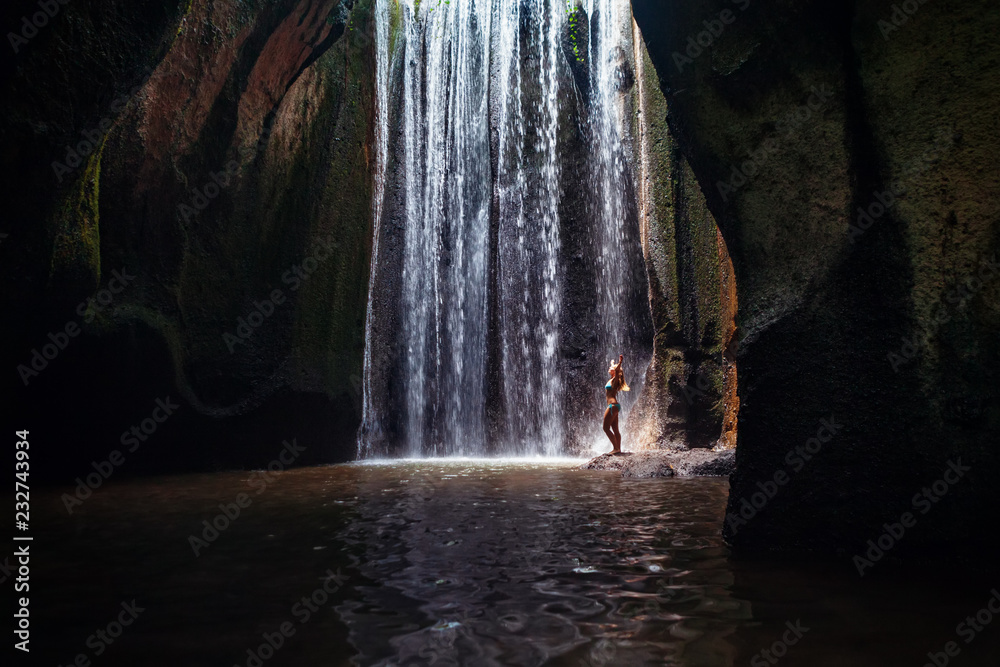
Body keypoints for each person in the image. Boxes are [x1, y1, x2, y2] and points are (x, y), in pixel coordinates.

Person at [603, 354, 630, 454]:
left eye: (611, 368)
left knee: (605, 428)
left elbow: (618, 370)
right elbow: (616, 370)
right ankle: (618, 449)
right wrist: (613, 363)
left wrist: (620, 363)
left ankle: (616, 448)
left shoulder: (614, 380)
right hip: (615, 406)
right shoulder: (612, 380)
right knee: (615, 429)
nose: (609, 368)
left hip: (612, 406)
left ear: (614, 371)